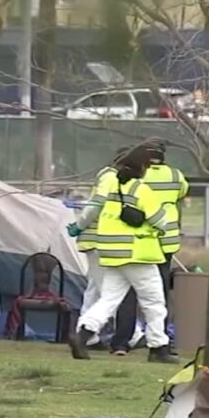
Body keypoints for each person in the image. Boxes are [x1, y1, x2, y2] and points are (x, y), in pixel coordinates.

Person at [66, 145, 178, 364]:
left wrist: (78, 226)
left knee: (109, 299)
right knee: (154, 301)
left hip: (111, 252)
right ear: (143, 168)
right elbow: (161, 221)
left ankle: (84, 334)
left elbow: (95, 210)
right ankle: (159, 347)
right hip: (137, 253)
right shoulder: (142, 190)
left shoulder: (111, 185)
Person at [108, 139, 189, 356]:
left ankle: (121, 341)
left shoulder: (137, 176)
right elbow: (182, 193)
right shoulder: (175, 175)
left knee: (128, 291)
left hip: (139, 239)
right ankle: (161, 340)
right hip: (166, 241)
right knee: (158, 294)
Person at [70, 147, 131, 350]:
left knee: (94, 289)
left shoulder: (109, 176)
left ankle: (86, 334)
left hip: (94, 239)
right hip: (99, 240)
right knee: (110, 290)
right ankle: (135, 334)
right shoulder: (111, 178)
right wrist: (80, 224)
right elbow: (97, 204)